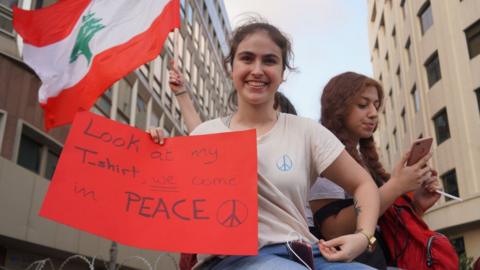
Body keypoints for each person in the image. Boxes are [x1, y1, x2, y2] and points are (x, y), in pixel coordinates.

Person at [152, 20, 380, 269]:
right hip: (231, 260)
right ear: (231, 68)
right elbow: (172, 199)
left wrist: (363, 236)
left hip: (308, 255)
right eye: (247, 59)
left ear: (283, 73)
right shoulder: (206, 135)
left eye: (269, 61)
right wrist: (157, 152)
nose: (257, 70)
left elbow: (363, 183)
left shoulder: (306, 131)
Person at [308, 72, 441, 269]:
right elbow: (333, 230)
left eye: (376, 106)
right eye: (363, 105)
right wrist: (396, 186)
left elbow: (381, 225)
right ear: (338, 108)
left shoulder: (364, 161)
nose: (373, 113)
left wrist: (417, 205)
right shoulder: (323, 155)